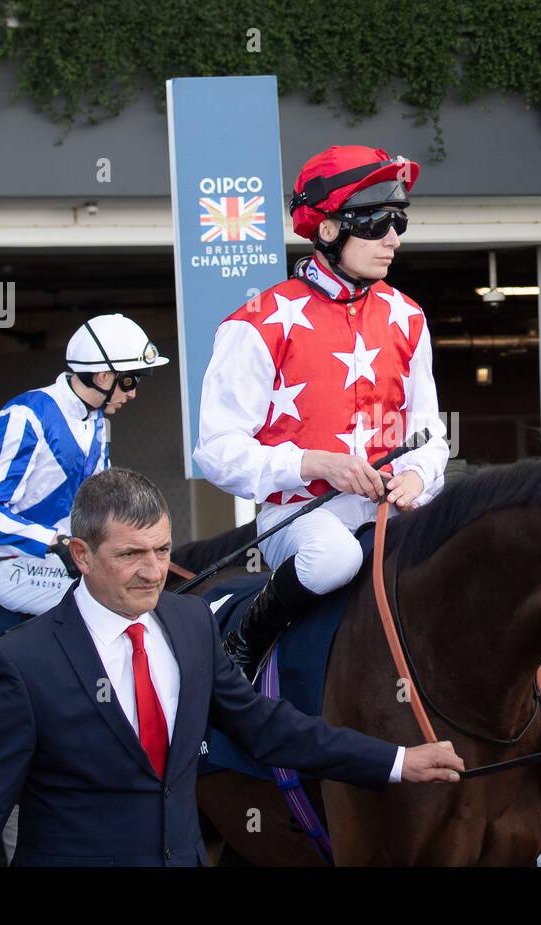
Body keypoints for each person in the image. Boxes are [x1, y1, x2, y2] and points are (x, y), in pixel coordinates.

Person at [0, 468, 465, 867]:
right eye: (130, 555)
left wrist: (396, 761)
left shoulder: (191, 624)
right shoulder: (21, 662)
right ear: (81, 554)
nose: (152, 572)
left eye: (162, 549)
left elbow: (268, 728)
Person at [194, 144, 450, 678]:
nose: (394, 240)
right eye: (380, 224)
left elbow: (430, 432)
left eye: (399, 222)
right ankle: (245, 643)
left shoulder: (408, 315)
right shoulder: (255, 323)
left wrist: (419, 476)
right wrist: (313, 463)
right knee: (335, 559)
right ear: (330, 230)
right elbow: (216, 453)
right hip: (300, 513)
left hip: (391, 508)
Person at [0, 313, 168, 615]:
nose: (133, 393)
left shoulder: (97, 423)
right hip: (20, 567)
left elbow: (100, 506)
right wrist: (53, 541)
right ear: (103, 377)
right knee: (115, 601)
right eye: (129, 380)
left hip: (73, 559)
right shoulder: (25, 417)